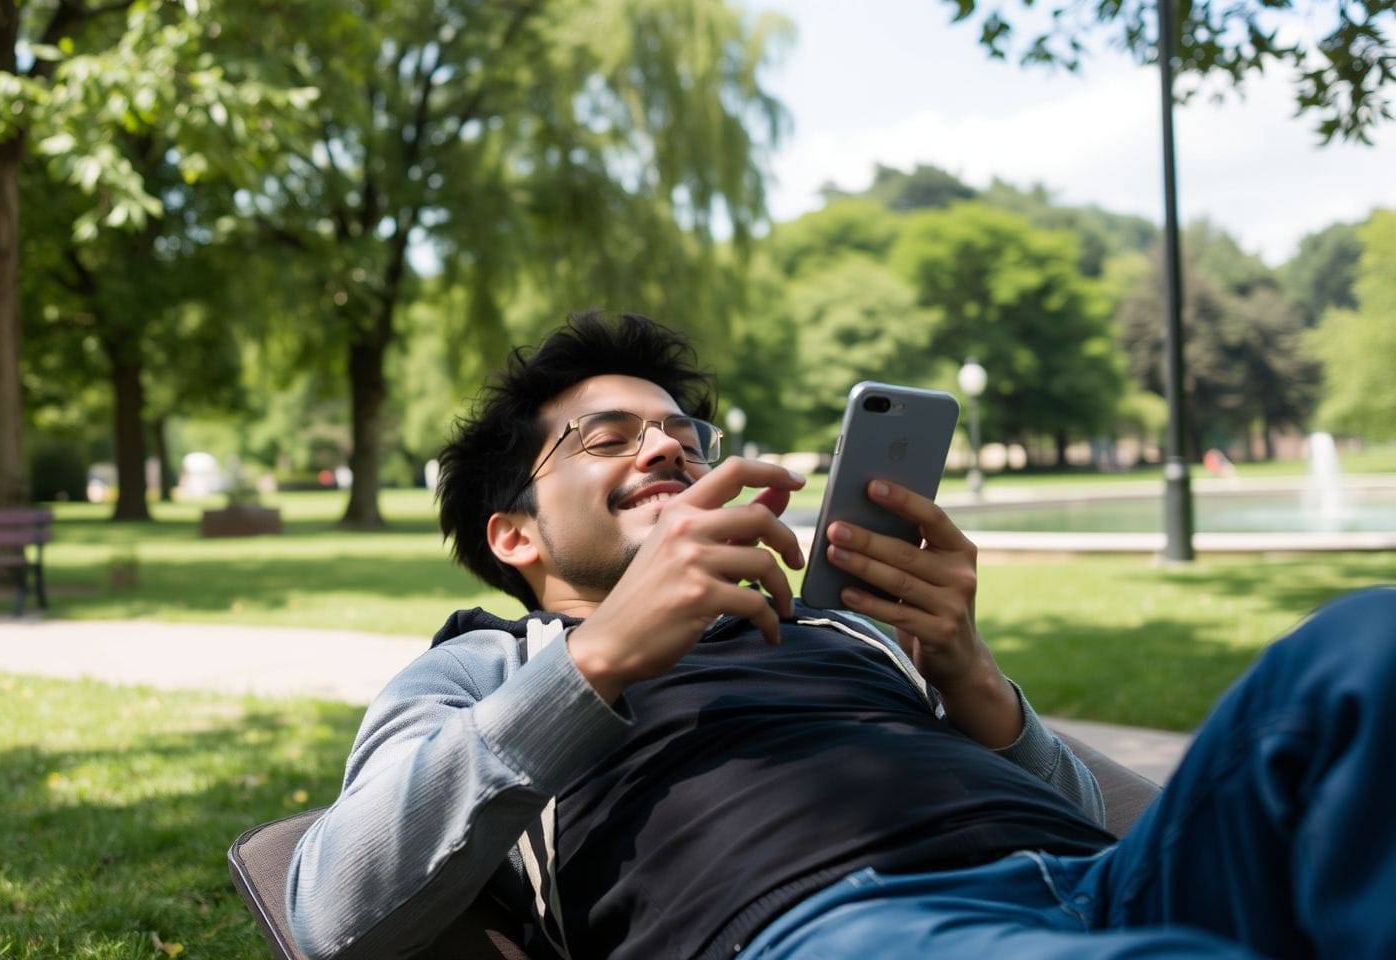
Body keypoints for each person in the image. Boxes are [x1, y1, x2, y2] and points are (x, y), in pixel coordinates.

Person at [287, 311, 1396, 959]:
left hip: (1093, 887)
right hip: (845, 931)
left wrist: (977, 687)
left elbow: (1171, 824)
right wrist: (599, 657)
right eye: (606, 438)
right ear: (515, 535)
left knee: (1366, 647)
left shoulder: (841, 630)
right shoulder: (488, 665)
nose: (666, 449)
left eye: (683, 432)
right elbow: (332, 905)